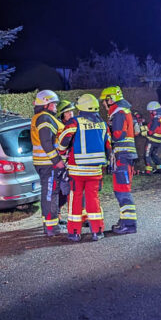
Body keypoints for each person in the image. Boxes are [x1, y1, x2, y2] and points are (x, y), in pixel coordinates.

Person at [57, 94, 111, 241]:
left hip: (77, 171)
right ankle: (98, 231)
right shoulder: (102, 124)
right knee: (93, 200)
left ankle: (75, 232)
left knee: (75, 200)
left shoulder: (74, 123)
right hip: (95, 171)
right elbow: (108, 146)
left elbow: (62, 142)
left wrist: (62, 152)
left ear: (81, 108)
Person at [100, 86, 139, 235]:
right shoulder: (122, 111)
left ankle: (129, 224)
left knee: (122, 191)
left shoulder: (118, 113)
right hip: (124, 157)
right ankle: (125, 221)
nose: (104, 104)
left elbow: (118, 135)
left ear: (111, 99)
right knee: (120, 190)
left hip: (123, 157)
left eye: (105, 101)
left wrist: (106, 131)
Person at [31, 90, 66, 237]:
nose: (56, 107)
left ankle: (52, 222)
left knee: (52, 193)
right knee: (50, 194)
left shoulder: (43, 117)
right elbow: (46, 142)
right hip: (48, 164)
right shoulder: (44, 118)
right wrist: (57, 161)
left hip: (46, 163)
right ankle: (51, 227)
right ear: (46, 104)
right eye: (54, 104)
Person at [141, 101, 161, 175]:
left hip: (151, 141)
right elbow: (150, 126)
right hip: (158, 142)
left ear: (155, 111)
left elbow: (150, 131)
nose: (149, 112)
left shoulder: (156, 119)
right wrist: (143, 125)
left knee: (147, 155)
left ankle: (148, 171)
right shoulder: (160, 118)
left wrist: (144, 132)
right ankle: (160, 169)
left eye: (150, 111)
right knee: (154, 155)